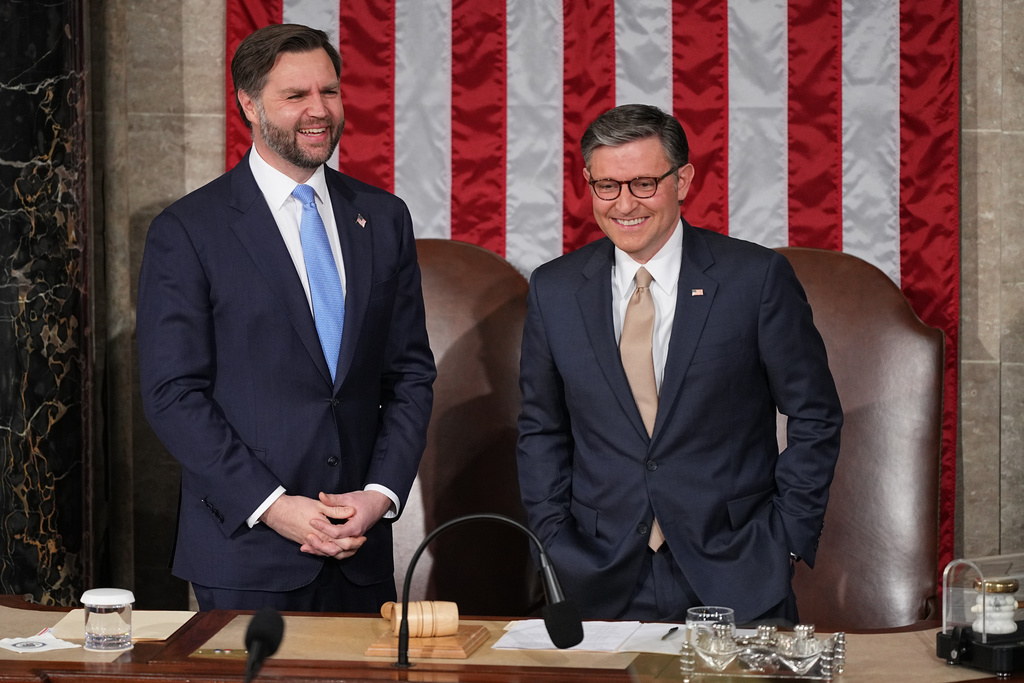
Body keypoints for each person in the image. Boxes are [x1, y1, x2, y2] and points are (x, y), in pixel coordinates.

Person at [136, 23, 435, 612]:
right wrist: (274, 506)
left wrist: (378, 496)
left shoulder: (383, 218)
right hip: (246, 553)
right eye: (296, 96)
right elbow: (173, 394)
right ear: (249, 104)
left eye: (330, 92)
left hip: (359, 551)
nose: (319, 111)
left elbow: (409, 376)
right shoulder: (189, 231)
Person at [516, 104, 842, 625]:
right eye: (608, 185)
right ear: (588, 183)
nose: (625, 204)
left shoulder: (754, 279)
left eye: (644, 183)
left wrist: (785, 535)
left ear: (683, 179)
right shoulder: (554, 289)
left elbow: (815, 414)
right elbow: (541, 428)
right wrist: (554, 535)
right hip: (598, 574)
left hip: (737, 566)